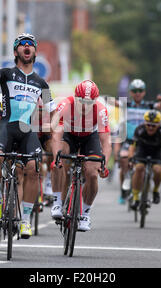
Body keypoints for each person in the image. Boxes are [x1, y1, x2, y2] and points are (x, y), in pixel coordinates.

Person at [0, 33, 56, 239]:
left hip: (27, 131)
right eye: (22, 44)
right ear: (16, 52)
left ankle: (26, 220)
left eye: (30, 44)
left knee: (33, 168)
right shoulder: (6, 73)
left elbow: (52, 109)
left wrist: (51, 128)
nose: (27, 46)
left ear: (34, 52)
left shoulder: (42, 83)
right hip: (6, 126)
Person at [50, 80, 111, 232]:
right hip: (69, 135)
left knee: (92, 174)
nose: (85, 105)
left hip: (90, 138)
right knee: (60, 157)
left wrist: (104, 166)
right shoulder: (65, 104)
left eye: (89, 102)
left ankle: (85, 213)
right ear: (75, 97)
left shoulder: (101, 110)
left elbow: (106, 142)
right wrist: (55, 159)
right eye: (81, 101)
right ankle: (57, 201)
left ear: (95, 101)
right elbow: (56, 135)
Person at [116, 79, 153, 204]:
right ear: (130, 92)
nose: (138, 93)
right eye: (135, 91)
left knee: (145, 165)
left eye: (140, 91)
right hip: (129, 140)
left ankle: (144, 190)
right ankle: (124, 187)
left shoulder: (149, 106)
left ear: (144, 92)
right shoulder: (126, 104)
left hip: (144, 141)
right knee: (123, 159)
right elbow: (114, 103)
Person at [128, 109, 161, 209]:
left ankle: (155, 190)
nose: (150, 127)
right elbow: (132, 146)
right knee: (138, 168)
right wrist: (130, 159)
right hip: (142, 150)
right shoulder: (139, 130)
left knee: (158, 170)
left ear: (159, 124)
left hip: (157, 152)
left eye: (154, 125)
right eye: (148, 125)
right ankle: (135, 198)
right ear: (145, 123)